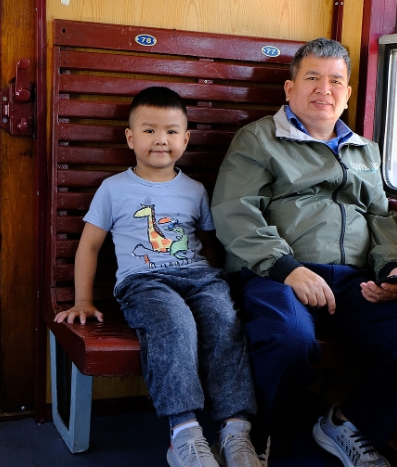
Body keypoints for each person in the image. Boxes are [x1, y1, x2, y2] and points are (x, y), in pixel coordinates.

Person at [211, 38, 397, 467]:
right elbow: (234, 212)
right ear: (289, 88)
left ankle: (349, 425)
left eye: (336, 80)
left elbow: (379, 217)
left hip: (350, 281)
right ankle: (253, 438)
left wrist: (392, 266)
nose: (325, 89)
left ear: (349, 92)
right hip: (276, 273)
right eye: (313, 78)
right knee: (289, 340)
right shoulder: (259, 139)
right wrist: (288, 269)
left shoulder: (363, 151)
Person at [54, 87, 262, 467]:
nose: (160, 140)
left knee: (223, 319)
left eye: (170, 131)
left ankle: (236, 429)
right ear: (130, 137)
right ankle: (184, 433)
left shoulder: (195, 190)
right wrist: (82, 299)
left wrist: (220, 284)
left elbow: (207, 244)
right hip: (143, 283)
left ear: (185, 138)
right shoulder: (113, 189)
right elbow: (89, 247)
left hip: (199, 276)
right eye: (149, 131)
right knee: (175, 322)